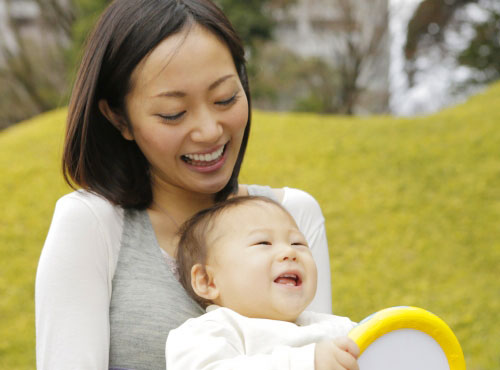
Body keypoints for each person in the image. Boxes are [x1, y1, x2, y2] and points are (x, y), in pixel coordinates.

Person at [35, 0, 332, 369]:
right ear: (118, 118)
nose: (209, 131)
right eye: (173, 114)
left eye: (225, 98)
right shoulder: (92, 225)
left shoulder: (295, 217)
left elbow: (322, 349)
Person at [167, 195, 359, 370]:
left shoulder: (338, 329)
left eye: (297, 243)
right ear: (207, 281)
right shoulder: (207, 332)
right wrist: (304, 363)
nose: (289, 252)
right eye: (263, 243)